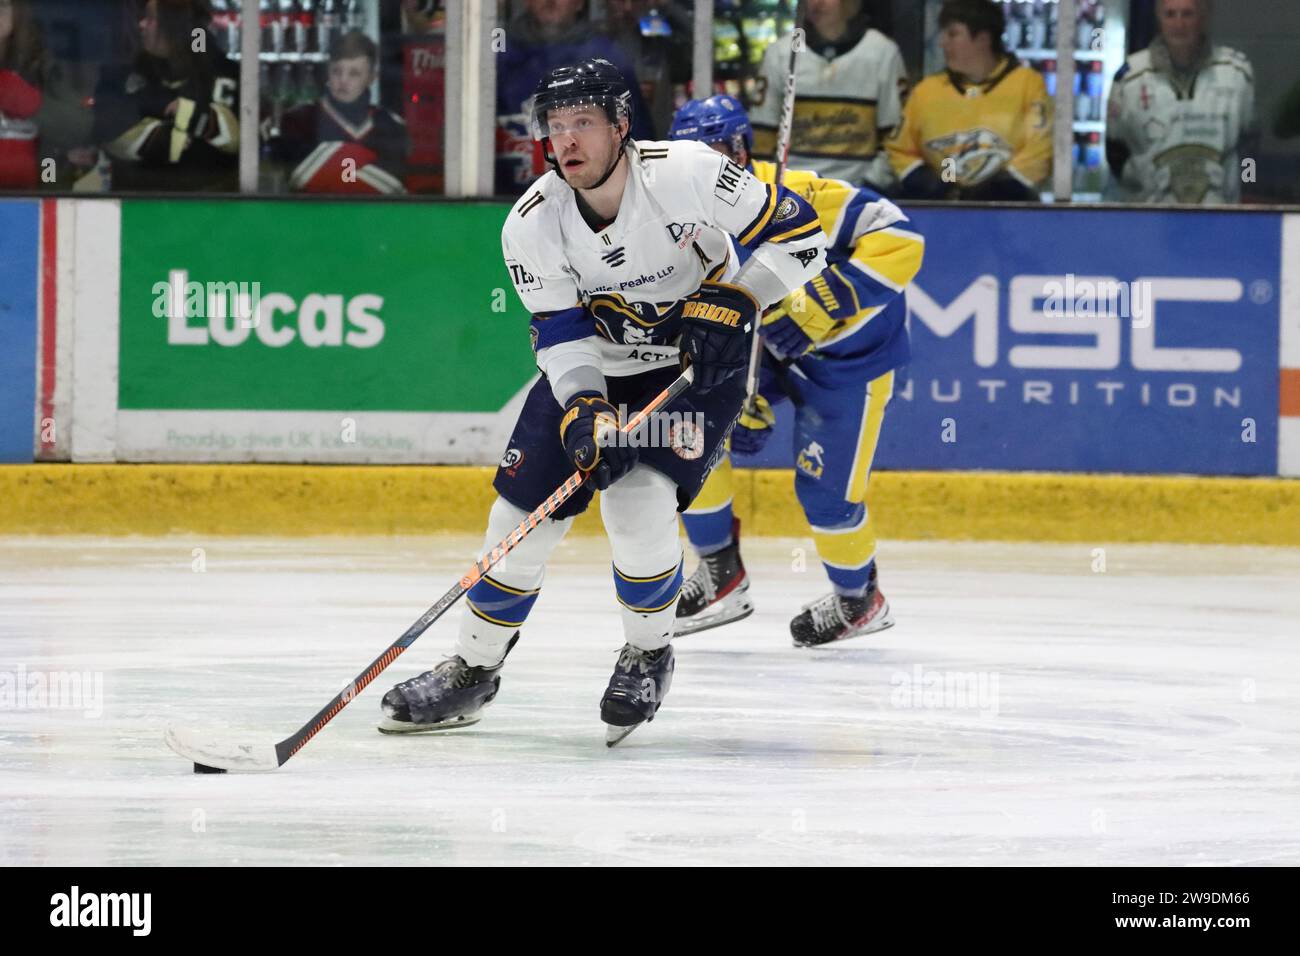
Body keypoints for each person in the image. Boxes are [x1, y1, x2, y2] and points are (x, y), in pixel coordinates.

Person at [379, 59, 827, 744]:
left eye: (583, 122)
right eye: (557, 127)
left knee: (637, 502)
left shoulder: (688, 171)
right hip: (600, 371)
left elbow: (805, 240)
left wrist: (742, 296)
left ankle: (648, 653)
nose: (568, 141)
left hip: (692, 368)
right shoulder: (532, 221)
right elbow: (561, 333)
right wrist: (585, 406)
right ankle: (473, 668)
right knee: (516, 521)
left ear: (621, 126)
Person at [670, 94, 923, 646]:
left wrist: (820, 302)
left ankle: (861, 600)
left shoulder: (795, 194)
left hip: (847, 364)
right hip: (771, 352)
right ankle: (719, 575)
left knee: (827, 497)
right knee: (693, 435)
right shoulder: (675, 220)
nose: (705, 166)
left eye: (716, 151)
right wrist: (743, 394)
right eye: (691, 155)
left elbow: (901, 238)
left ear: (741, 150)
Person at [887, 0, 1051, 201]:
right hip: (941, 215)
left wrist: (1000, 189)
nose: (942, 42)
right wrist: (934, 186)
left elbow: (1040, 149)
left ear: (982, 39)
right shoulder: (926, 91)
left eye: (953, 34)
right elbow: (900, 148)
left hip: (1009, 218)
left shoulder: (1027, 84)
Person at [1105, 0, 1256, 204]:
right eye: (1170, 14)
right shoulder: (1130, 78)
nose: (1179, 24)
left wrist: (1248, 195)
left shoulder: (1236, 73)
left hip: (1221, 217)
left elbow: (1250, 148)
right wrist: (1142, 191)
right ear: (1158, 18)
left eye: (1187, 14)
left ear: (1203, 18)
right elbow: (1116, 154)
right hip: (1153, 219)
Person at [495, 0, 652, 195]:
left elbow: (635, 139)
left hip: (589, 203)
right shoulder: (499, 53)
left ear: (579, 3)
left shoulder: (606, 55)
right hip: (502, 201)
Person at [750, 0, 906, 191]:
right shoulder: (780, 53)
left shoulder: (882, 53)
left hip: (860, 192)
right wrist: (772, 190)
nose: (817, 3)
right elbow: (761, 137)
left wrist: (868, 187)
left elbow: (896, 138)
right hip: (793, 192)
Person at [91, 0, 240, 192]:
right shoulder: (122, 73)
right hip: (135, 205)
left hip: (210, 207)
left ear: (175, 27)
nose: (141, 24)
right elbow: (107, 132)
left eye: (151, 18)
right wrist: (172, 125)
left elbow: (241, 143)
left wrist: (188, 115)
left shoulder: (224, 74)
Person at [272, 30, 407, 194]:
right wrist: (359, 163)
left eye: (354, 73)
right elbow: (300, 178)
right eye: (336, 71)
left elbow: (394, 187)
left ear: (372, 77)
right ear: (327, 72)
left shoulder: (391, 125)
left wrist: (329, 159)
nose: (343, 80)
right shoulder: (298, 119)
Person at [0, 0, 92, 189]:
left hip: (36, 198)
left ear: (18, 10)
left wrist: (35, 105)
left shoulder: (42, 64)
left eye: (1, 5)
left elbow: (79, 128)